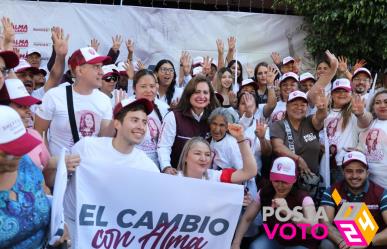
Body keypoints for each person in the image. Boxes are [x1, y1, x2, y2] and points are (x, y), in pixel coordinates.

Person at [63, 98, 160, 243]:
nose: (141, 126)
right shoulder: (87, 147)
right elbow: (55, 180)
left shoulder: (148, 168)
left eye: (144, 122)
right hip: (72, 229)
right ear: (117, 124)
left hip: (112, 236)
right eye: (134, 120)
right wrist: (61, 165)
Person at [0, 105, 67, 248]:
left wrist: (60, 227)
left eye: (20, 145)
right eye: (7, 151)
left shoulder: (25, 162)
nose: (17, 154)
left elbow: (44, 194)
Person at [35, 47, 113, 156]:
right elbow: (39, 133)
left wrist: (120, 118)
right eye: (96, 67)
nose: (102, 72)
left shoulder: (104, 100)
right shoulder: (54, 96)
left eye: (101, 67)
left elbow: (104, 138)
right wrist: (51, 163)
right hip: (59, 170)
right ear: (79, 70)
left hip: (89, 169)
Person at [232, 157, 319, 249]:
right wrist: (236, 243)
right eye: (276, 180)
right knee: (256, 247)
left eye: (285, 181)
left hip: (300, 242)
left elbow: (314, 228)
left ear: (294, 180)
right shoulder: (264, 192)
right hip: (275, 239)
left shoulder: (304, 198)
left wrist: (288, 212)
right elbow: (247, 218)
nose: (280, 186)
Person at [320, 151, 387, 249]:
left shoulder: (380, 193)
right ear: (343, 172)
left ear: (367, 173)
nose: (354, 176)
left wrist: (367, 242)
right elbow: (325, 223)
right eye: (349, 171)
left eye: (359, 171)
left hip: (372, 244)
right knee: (326, 244)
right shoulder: (334, 192)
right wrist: (342, 242)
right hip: (344, 243)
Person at [157, 74, 219, 174]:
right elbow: (164, 146)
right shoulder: (173, 117)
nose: (202, 96)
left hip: (203, 177)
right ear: (188, 94)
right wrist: (166, 167)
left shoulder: (213, 119)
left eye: (205, 93)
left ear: (210, 97)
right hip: (177, 177)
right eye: (197, 92)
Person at [270, 90, 328, 175]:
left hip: (312, 181)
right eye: (295, 104)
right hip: (287, 180)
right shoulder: (278, 125)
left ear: (307, 107)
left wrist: (322, 108)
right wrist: (298, 160)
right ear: (287, 106)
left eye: (303, 105)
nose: (299, 107)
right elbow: (278, 148)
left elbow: (320, 117)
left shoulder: (310, 121)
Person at [176, 123, 257, 183]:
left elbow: (249, 172)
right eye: (197, 153)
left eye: (207, 154)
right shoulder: (173, 178)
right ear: (185, 157)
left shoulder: (215, 177)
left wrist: (240, 138)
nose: (203, 159)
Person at [130, 69, 169, 167]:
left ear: (157, 87)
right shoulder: (125, 105)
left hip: (155, 165)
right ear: (134, 88)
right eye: (143, 86)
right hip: (131, 163)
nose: (148, 90)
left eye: (152, 86)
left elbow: (165, 143)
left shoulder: (164, 108)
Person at [358, 90, 387, 189]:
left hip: (385, 183)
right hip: (368, 186)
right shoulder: (369, 124)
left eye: (386, 102)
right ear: (373, 107)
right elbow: (362, 147)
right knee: (336, 197)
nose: (382, 105)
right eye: (377, 102)